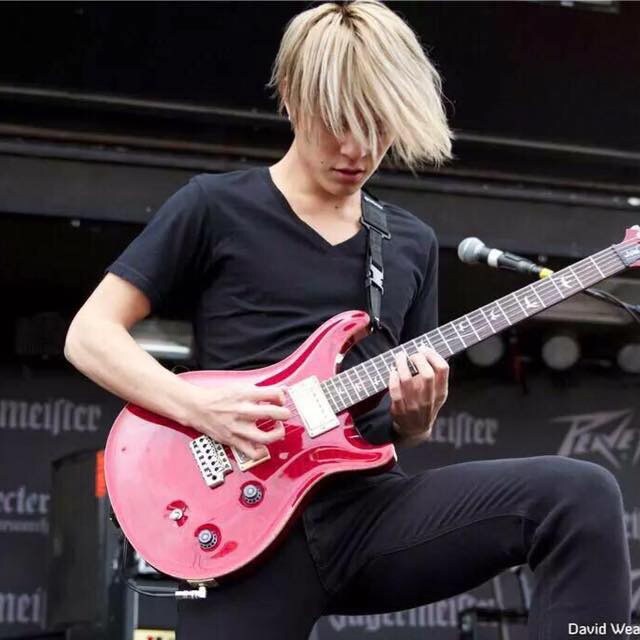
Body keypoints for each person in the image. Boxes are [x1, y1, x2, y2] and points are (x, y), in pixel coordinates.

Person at [65, 2, 631, 639]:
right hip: (245, 524)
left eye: (379, 126)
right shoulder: (213, 207)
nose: (358, 149)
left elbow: (396, 427)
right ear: (290, 97)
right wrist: (201, 409)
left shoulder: (410, 243)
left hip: (367, 517)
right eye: (339, 123)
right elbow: (89, 336)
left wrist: (413, 419)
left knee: (579, 495)